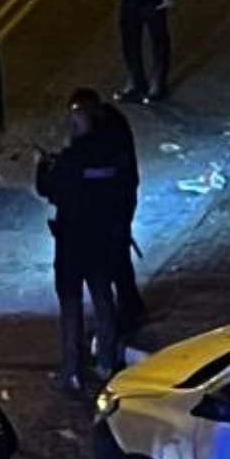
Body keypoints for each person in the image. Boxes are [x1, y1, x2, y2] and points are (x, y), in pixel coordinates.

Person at [36, 90, 126, 391]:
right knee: (103, 299)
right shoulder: (111, 150)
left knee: (71, 306)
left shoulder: (72, 159)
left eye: (76, 114)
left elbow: (49, 189)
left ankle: (72, 369)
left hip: (73, 242)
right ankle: (106, 362)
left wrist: (44, 165)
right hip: (101, 239)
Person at [74, 89, 147, 336]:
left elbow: (109, 170)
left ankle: (129, 310)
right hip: (103, 203)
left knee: (116, 257)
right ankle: (128, 305)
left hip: (116, 202)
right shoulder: (91, 129)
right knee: (114, 257)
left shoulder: (110, 129)